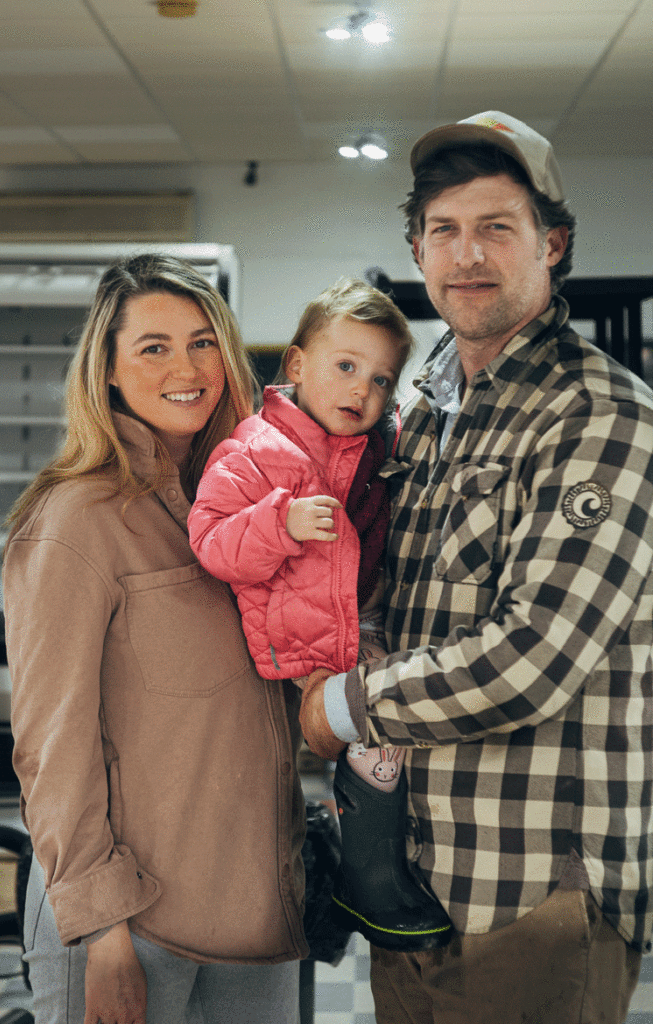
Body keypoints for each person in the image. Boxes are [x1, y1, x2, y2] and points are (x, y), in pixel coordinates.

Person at [299, 111, 653, 1023]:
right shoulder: (423, 406)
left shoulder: (601, 415)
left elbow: (531, 658)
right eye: (445, 231)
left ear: (552, 244)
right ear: (415, 249)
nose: (468, 255)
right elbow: (393, 597)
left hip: (530, 893)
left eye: (498, 227)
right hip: (409, 881)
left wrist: (339, 705)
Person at [3, 253, 308, 1024]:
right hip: (130, 921)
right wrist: (103, 929)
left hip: (254, 918)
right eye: (154, 346)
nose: (187, 366)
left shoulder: (252, 514)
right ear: (106, 371)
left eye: (204, 342)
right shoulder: (78, 519)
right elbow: (52, 741)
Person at [188, 278, 452, 951]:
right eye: (345, 367)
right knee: (373, 735)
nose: (360, 390)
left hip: (360, 624)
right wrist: (280, 522)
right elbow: (213, 543)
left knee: (402, 728)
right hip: (300, 643)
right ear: (297, 365)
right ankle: (367, 879)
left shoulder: (376, 446)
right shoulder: (250, 451)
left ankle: (374, 862)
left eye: (379, 378)